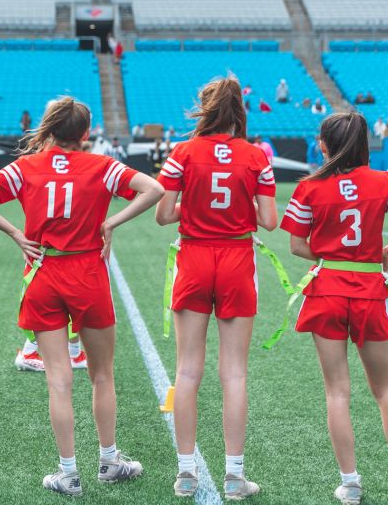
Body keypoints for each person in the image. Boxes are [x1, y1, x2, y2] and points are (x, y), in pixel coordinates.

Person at [0, 96, 164, 496]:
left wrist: (16, 234)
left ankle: (68, 473)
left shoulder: (27, 166)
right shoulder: (102, 166)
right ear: (86, 133)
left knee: (58, 380)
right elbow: (154, 188)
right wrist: (112, 222)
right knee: (102, 375)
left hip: (43, 272)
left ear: (50, 128)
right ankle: (109, 460)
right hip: (87, 273)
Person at [281, 111, 388, 505]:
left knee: (337, 393)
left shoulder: (309, 187)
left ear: (327, 145)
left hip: (327, 289)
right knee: (385, 390)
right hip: (369, 290)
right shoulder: (383, 181)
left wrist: (331, 255)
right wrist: (386, 252)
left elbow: (296, 245)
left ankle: (350, 484)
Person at [155, 77, 278, 500]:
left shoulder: (183, 152)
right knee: (235, 373)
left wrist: (196, 205)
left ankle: (186, 472)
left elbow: (163, 214)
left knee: (187, 369)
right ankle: (234, 475)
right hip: (237, 261)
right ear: (239, 110)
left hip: (193, 257)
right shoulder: (256, 155)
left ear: (205, 107)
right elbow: (269, 220)